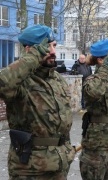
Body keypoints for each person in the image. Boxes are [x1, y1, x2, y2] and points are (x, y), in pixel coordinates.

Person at [0, 24, 75, 179]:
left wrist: (68, 150)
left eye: (53, 45)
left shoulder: (58, 80)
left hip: (59, 163)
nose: (53, 52)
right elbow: (3, 84)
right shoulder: (21, 81)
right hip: (30, 168)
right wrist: (34, 57)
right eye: (46, 47)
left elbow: (63, 123)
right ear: (29, 50)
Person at [79, 39, 108, 180]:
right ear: (101, 60)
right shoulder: (92, 80)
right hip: (97, 143)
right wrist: (104, 70)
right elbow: (94, 92)